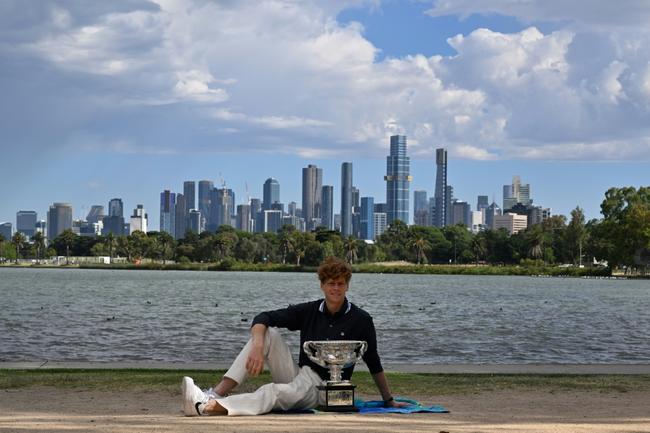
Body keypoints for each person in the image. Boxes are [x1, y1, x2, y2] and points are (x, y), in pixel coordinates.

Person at [181, 256, 408, 416]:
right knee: (267, 331)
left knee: (273, 391)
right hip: (300, 374)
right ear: (322, 285)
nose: (336, 289)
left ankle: (207, 407)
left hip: (323, 387)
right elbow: (264, 316)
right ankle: (215, 392)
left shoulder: (361, 319)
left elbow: (373, 361)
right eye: (331, 284)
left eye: (340, 284)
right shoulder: (309, 311)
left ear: (347, 286)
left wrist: (388, 400)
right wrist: (259, 347)